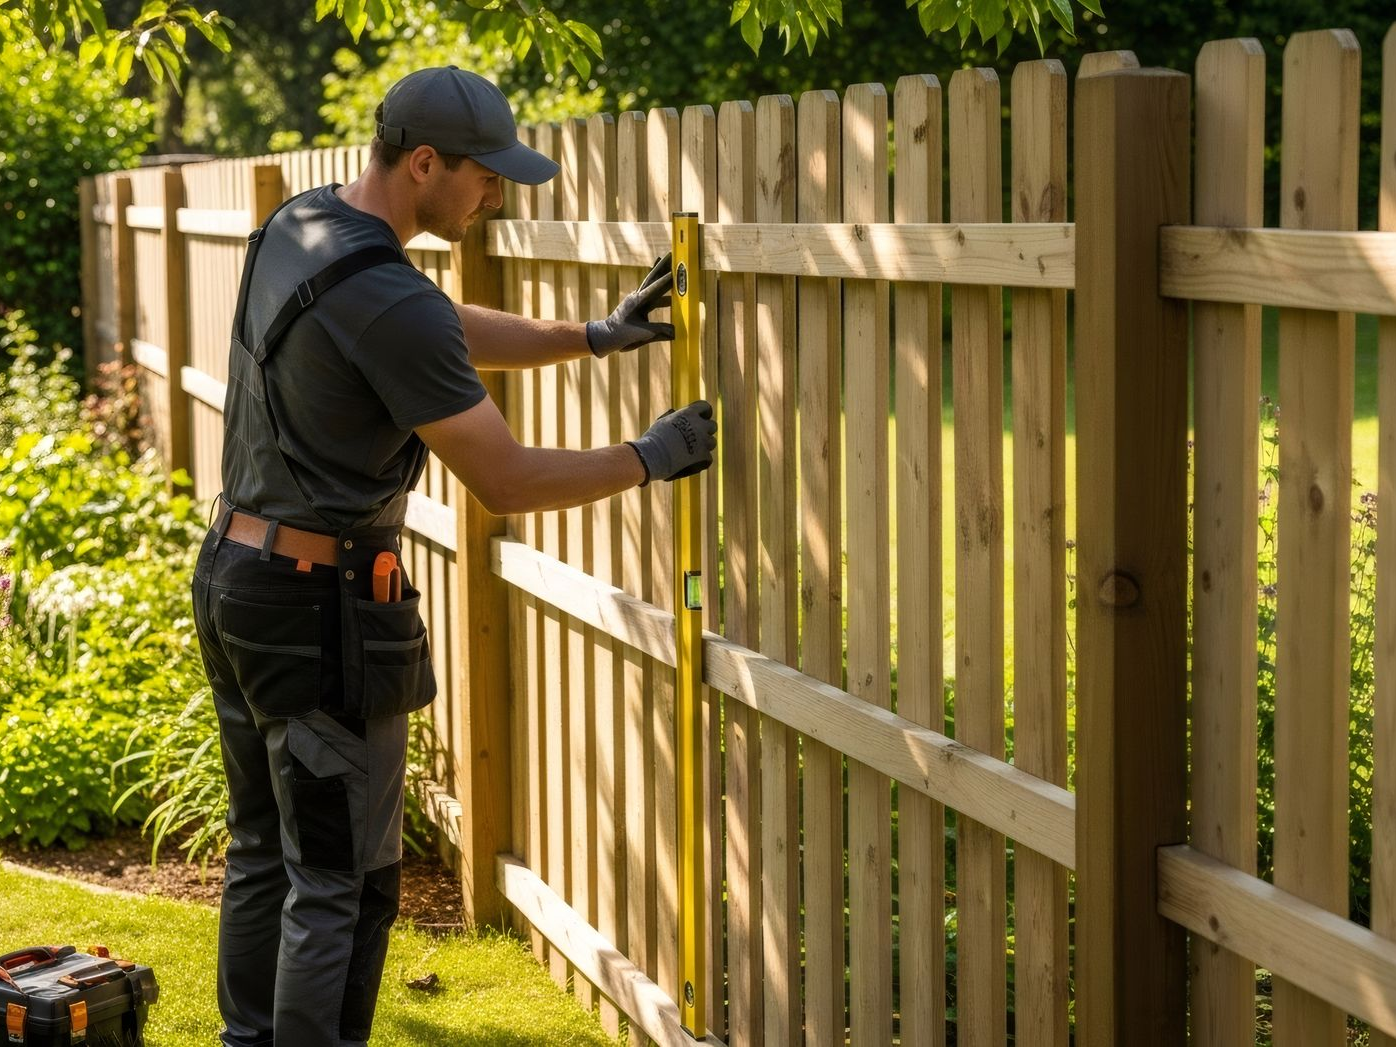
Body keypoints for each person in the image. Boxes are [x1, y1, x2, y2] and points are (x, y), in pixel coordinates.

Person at [190, 65, 717, 1047]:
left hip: (238, 576)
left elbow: (433, 331)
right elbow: (507, 480)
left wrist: (591, 338)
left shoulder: (305, 228)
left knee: (267, 853)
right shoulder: (386, 294)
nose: (495, 195)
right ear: (424, 162)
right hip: (320, 612)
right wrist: (646, 458)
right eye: (483, 176)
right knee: (339, 884)